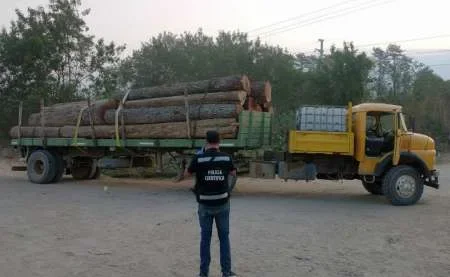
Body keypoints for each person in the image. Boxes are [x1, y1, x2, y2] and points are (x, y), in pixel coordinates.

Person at [185, 130, 238, 277]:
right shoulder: (227, 158)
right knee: (224, 238)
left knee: (205, 239)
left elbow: (187, 174)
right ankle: (226, 272)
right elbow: (233, 173)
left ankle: (203, 273)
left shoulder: (199, 158)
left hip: (205, 204)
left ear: (206, 141)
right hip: (222, 202)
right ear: (219, 141)